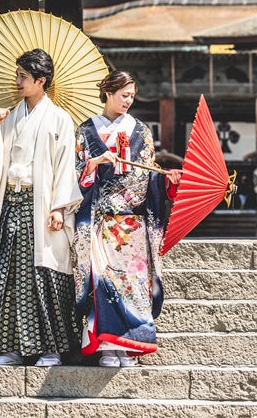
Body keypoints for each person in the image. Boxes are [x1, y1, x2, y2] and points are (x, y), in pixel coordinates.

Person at [0, 48, 82, 366]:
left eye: (23, 76)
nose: (17, 81)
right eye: (17, 75)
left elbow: (65, 166)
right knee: (7, 274)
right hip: (11, 203)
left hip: (42, 205)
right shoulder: (8, 116)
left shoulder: (59, 118)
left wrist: (60, 207)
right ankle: (10, 347)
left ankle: (50, 348)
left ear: (41, 80)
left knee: (43, 273)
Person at [73, 69, 181, 368]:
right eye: (124, 95)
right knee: (104, 282)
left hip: (133, 223)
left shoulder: (141, 131)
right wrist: (94, 162)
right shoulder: (85, 131)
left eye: (132, 96)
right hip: (100, 221)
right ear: (108, 93)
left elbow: (149, 174)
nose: (129, 101)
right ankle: (108, 347)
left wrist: (166, 179)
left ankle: (131, 345)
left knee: (133, 285)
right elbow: (71, 171)